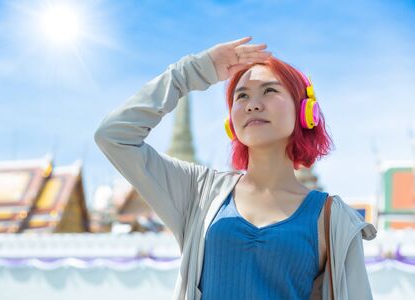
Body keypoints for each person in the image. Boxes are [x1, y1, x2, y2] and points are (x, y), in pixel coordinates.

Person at [94, 36, 377, 300]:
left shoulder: (333, 219)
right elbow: (114, 136)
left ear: (304, 111)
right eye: (241, 96)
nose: (253, 104)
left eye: (269, 91)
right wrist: (193, 72)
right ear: (231, 121)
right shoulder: (200, 193)